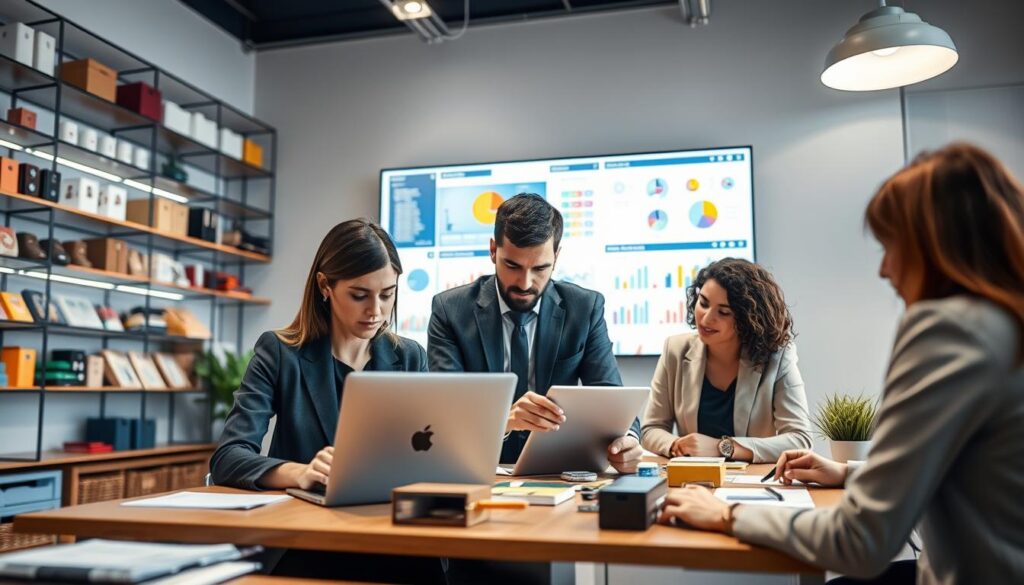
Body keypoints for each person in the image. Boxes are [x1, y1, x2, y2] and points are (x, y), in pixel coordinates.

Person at [656, 143, 1024, 584]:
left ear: (938, 247)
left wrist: (727, 514)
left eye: (892, 246)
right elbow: (968, 464)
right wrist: (848, 471)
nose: (884, 270)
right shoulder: (1004, 325)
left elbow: (861, 540)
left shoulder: (949, 330)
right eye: (702, 304)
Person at [210, 219, 444, 584]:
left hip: (396, 539)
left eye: (387, 294)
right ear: (325, 286)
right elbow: (229, 457)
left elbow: (433, 454)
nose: (376, 311)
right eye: (359, 294)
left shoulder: (411, 357)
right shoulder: (279, 352)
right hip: (311, 543)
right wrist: (300, 473)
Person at [428, 193, 642, 472]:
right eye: (512, 265)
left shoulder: (585, 308)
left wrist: (627, 441)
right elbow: (445, 409)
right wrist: (504, 418)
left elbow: (611, 396)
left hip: (559, 471)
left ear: (557, 256)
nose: (525, 283)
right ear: (493, 250)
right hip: (477, 466)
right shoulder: (450, 310)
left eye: (540, 268)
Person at [641, 258, 813, 463]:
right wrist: (678, 445)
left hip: (751, 482)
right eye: (703, 303)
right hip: (692, 478)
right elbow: (651, 429)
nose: (705, 319)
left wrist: (722, 447)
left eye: (723, 312)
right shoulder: (675, 350)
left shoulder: (777, 357)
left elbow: (800, 439)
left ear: (747, 319)